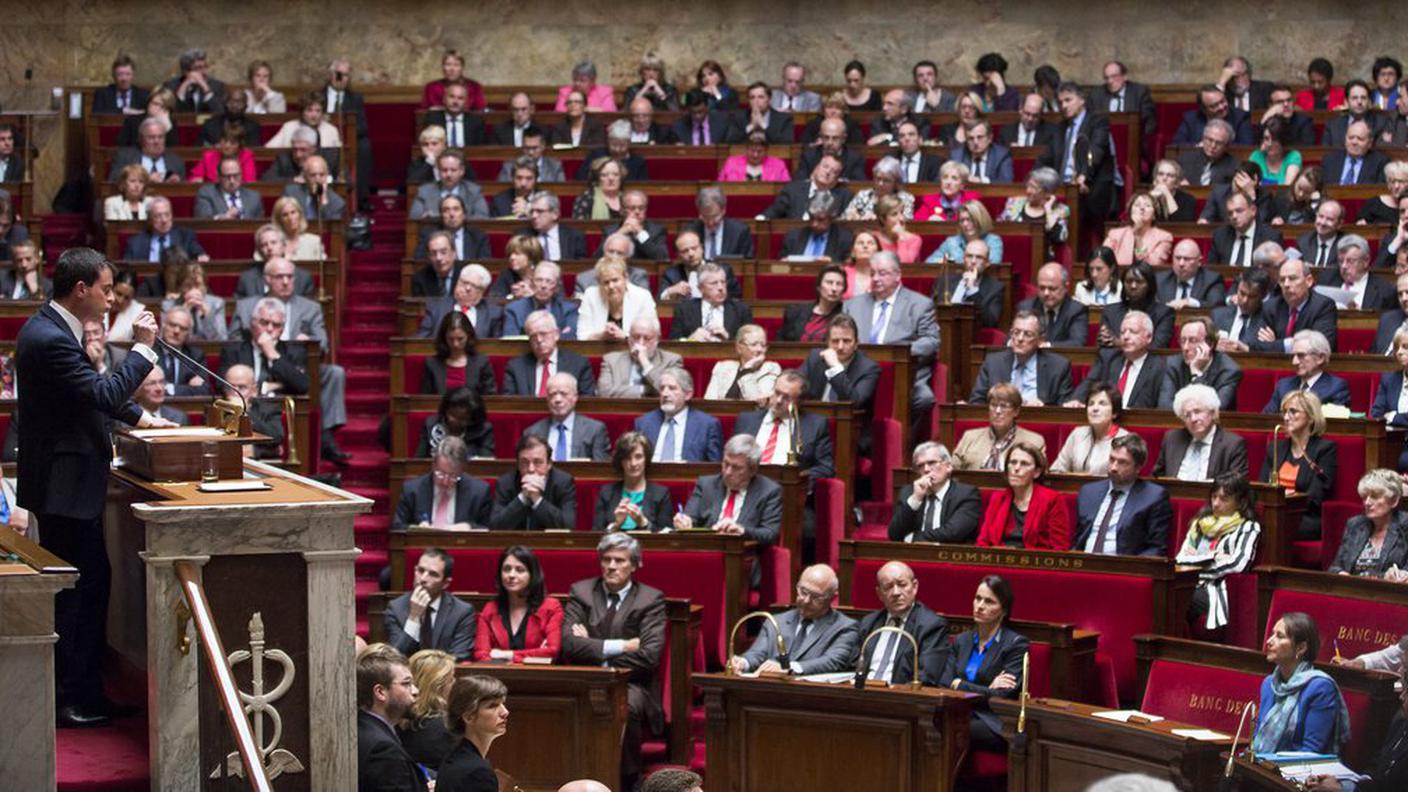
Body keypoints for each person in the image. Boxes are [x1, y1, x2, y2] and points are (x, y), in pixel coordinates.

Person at [17, 248, 166, 727]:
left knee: (89, 586)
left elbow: (88, 395)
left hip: (70, 483)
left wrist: (147, 419)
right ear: (80, 289)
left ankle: (83, 691)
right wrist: (143, 350)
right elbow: (100, 393)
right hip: (65, 486)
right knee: (78, 592)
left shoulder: (54, 327)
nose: (110, 299)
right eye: (105, 289)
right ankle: (71, 699)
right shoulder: (48, 337)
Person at [562, 532, 664, 788]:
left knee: (623, 706)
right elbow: (570, 645)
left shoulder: (650, 599)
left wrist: (591, 643)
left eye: (620, 560)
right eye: (606, 559)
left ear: (635, 564)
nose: (611, 566)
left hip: (632, 684)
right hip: (585, 680)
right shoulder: (582, 592)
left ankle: (626, 780)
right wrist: (623, 645)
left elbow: (649, 655)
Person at [844, 251, 941, 436]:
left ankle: (903, 448)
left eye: (882, 273)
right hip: (859, 375)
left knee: (924, 399)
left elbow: (932, 341)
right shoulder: (852, 305)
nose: (876, 278)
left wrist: (898, 353)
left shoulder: (920, 304)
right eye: (872, 273)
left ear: (898, 275)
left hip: (904, 376)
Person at [943, 575, 1030, 750]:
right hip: (959, 713)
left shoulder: (1015, 644)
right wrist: (988, 690)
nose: (980, 606)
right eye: (978, 598)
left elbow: (1004, 695)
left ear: (1003, 610)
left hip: (992, 721)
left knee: (950, 730)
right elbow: (944, 683)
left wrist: (960, 684)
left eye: (989, 602)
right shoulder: (961, 641)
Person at [1174, 473, 1263, 636]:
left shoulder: (1248, 527)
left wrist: (1194, 562)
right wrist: (1213, 557)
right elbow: (1180, 559)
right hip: (1189, 583)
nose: (1216, 503)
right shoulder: (1200, 524)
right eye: (1214, 497)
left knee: (1175, 596)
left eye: (1224, 499)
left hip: (1215, 591)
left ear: (1240, 502)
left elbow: (1238, 565)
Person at [730, 563, 859, 673]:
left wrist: (789, 668)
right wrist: (743, 662)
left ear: (832, 597)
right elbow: (757, 654)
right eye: (803, 591)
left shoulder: (845, 628)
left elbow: (832, 661)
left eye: (816, 596)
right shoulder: (776, 621)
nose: (806, 600)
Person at [1253, 612, 1351, 755]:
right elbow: (1257, 738)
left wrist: (1268, 766)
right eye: (1272, 634)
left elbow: (1311, 751)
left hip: (1301, 772)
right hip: (1264, 767)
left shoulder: (1320, 688)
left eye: (1279, 636)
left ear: (1301, 648)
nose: (1269, 641)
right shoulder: (1269, 684)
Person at [856, 561, 951, 686]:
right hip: (863, 695)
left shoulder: (931, 626)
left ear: (915, 587)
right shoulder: (868, 623)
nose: (896, 592)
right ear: (879, 594)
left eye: (902, 584)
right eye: (888, 587)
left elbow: (926, 678)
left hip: (902, 699)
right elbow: (854, 668)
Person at [799, 314, 882, 452]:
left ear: (856, 344)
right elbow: (795, 381)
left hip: (847, 434)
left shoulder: (869, 368)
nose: (840, 346)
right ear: (827, 342)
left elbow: (853, 402)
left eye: (847, 341)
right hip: (811, 429)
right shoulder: (815, 357)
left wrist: (835, 367)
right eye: (835, 341)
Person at [1264, 389, 1338, 540]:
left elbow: (1315, 498)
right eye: (1284, 412)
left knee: (1275, 526)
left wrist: (1284, 498)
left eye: (1293, 412)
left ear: (1311, 417)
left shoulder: (1325, 449)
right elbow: (1262, 487)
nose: (1286, 417)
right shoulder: (1275, 447)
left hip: (1305, 517)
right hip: (1275, 513)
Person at [474, 545, 564, 662]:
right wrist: (534, 655)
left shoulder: (551, 607)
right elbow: (480, 654)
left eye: (520, 570)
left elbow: (552, 650)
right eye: (506, 569)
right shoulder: (490, 609)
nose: (511, 575)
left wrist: (507, 655)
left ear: (533, 575)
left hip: (539, 676)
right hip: (498, 676)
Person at [356, 645, 428, 792]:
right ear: (380, 692)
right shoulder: (383, 750)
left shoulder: (361, 726)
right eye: (406, 684)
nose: (415, 691)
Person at [384, 548, 476, 661]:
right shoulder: (395, 608)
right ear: (415, 570)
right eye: (421, 570)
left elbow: (460, 656)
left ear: (445, 583)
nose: (423, 579)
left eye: (433, 574)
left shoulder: (462, 611)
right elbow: (395, 658)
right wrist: (414, 618)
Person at [969, 310, 1075, 406]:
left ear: (1040, 340)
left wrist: (1042, 408)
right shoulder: (993, 363)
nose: (1020, 339)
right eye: (1016, 332)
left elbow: (1064, 408)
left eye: (1027, 334)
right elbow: (976, 402)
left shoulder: (1058, 367)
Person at [977, 441, 1070, 549]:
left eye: (1024, 464)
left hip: (1034, 563)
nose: (1016, 468)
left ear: (1036, 472)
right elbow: (983, 541)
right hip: (999, 560)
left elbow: (1060, 546)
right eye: (1012, 462)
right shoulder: (998, 498)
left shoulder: (1051, 499)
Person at [392, 437, 492, 532]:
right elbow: (397, 527)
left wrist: (469, 527)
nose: (445, 481)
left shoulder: (479, 492)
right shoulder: (412, 490)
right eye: (440, 474)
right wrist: (416, 528)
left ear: (462, 471)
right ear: (433, 465)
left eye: (453, 476)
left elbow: (488, 529)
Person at [889, 442, 982, 543]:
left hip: (950, 554)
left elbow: (953, 532)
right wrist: (916, 499)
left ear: (948, 467)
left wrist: (913, 538)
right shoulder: (909, 492)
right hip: (914, 555)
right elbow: (894, 534)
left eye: (931, 463)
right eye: (920, 466)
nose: (926, 469)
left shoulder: (966, 494)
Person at [1153, 384, 1251, 481]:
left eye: (1197, 411)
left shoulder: (1233, 444)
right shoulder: (1172, 438)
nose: (1193, 419)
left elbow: (1238, 484)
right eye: (1187, 415)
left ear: (1213, 413)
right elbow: (1157, 476)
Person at [1073, 310, 1167, 410]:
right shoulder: (1108, 358)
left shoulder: (1160, 368)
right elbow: (1088, 384)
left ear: (1148, 337)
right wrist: (1076, 400)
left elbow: (1162, 409)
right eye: (1122, 332)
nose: (1126, 337)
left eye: (1133, 332)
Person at [1327, 470, 1408, 579]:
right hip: (1353, 591)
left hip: (1391, 593)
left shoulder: (1405, 526)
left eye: (1375, 496)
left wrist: (1398, 576)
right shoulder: (1355, 525)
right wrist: (1341, 574)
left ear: (1394, 501)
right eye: (1365, 497)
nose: (1367, 503)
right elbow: (1335, 568)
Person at [435, 675, 509, 792]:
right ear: (469, 717)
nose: (505, 712)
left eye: (502, 703)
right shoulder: (477, 772)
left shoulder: (456, 756)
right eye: (492, 706)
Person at [490, 434, 577, 531]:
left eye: (537, 462)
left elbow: (568, 526)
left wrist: (537, 499)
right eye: (524, 462)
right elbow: (495, 526)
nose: (531, 469)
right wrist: (522, 497)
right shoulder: (506, 483)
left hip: (550, 544)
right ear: (518, 465)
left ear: (549, 465)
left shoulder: (563, 482)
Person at [954, 383, 1047, 471]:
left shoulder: (1034, 441)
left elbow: (1040, 477)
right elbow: (952, 471)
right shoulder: (970, 437)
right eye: (993, 405)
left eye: (1004, 406)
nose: (998, 411)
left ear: (1016, 411)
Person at [501, 310, 595, 396]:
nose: (539, 340)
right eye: (533, 336)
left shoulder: (578, 364)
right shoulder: (516, 367)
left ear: (556, 334)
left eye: (543, 333)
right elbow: (510, 406)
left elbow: (587, 403)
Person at [1159, 317, 1242, 411]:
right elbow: (1164, 407)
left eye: (1192, 341)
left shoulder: (1229, 370)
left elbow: (1214, 409)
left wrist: (1196, 374)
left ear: (1209, 344)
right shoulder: (1173, 364)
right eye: (1182, 341)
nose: (1185, 347)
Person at [527, 372, 610, 462]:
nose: (557, 399)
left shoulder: (595, 429)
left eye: (564, 394)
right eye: (552, 394)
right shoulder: (532, 432)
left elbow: (601, 469)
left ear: (575, 397)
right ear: (547, 399)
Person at [397, 649, 459, 770]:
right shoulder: (446, 727)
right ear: (438, 686)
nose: (455, 683)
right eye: (451, 679)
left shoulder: (396, 720)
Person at [1052, 382, 1131, 475]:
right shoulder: (1078, 434)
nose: (1095, 408)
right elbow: (1056, 470)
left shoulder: (1125, 439)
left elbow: (1124, 477)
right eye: (1091, 404)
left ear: (1114, 413)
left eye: (1102, 404)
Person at [1263, 330, 1351, 413]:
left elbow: (1336, 425)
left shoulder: (1336, 387)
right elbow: (1267, 419)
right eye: (1293, 356)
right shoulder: (1284, 385)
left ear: (1320, 358)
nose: (1294, 362)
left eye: (1301, 355)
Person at [597, 315, 685, 399]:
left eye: (647, 338)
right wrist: (644, 390)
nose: (641, 343)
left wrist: (645, 363)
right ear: (629, 338)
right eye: (636, 337)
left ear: (657, 339)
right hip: (619, 410)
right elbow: (603, 392)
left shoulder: (672, 360)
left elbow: (670, 393)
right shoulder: (611, 360)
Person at [1097, 261, 1174, 350]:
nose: (1133, 286)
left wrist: (1119, 343)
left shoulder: (1164, 313)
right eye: (1129, 281)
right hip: (1114, 361)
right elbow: (1104, 344)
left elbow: (1158, 347)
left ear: (1150, 285)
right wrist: (1104, 339)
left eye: (1139, 282)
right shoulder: (1110, 311)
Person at [576, 255, 655, 342]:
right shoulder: (591, 295)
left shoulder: (642, 296)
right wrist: (601, 335)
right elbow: (581, 337)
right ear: (599, 284)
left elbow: (651, 334)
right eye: (606, 282)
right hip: (598, 352)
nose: (611, 286)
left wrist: (625, 336)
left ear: (626, 278)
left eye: (615, 280)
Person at [997, 167, 1071, 259]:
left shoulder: (1061, 210)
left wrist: (1048, 209)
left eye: (1033, 188)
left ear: (1048, 192)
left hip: (1042, 260)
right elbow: (999, 228)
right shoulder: (1014, 203)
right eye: (1028, 185)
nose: (1028, 191)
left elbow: (1059, 238)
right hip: (1012, 255)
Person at [669, 262, 752, 342]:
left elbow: (749, 342)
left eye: (723, 282)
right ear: (700, 288)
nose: (720, 287)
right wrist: (691, 339)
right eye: (714, 283)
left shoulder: (741, 310)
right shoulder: (684, 310)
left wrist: (728, 338)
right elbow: (673, 343)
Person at [704, 324, 780, 401]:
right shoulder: (722, 367)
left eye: (763, 345)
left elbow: (757, 402)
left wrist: (747, 370)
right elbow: (709, 401)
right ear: (739, 348)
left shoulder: (770, 368)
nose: (759, 349)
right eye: (754, 344)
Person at [415, 386, 494, 460]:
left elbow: (485, 464)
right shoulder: (431, 424)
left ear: (472, 419)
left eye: (460, 418)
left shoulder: (483, 430)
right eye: (451, 414)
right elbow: (419, 461)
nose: (451, 420)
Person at [410, 151, 487, 221]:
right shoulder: (424, 191)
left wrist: (455, 220)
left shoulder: (473, 191)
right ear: (438, 171)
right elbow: (414, 218)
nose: (448, 174)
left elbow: (483, 217)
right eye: (444, 170)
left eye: (453, 170)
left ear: (462, 171)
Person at [1103, 192, 1173, 267]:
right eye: (1137, 205)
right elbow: (1103, 260)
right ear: (1130, 212)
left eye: (1147, 205)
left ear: (1154, 215)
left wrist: (1138, 237)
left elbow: (1152, 266)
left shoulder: (1164, 237)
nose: (1142, 208)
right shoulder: (1115, 234)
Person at [779, 265, 845, 343]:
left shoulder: (847, 314)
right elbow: (781, 345)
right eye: (829, 283)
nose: (834, 288)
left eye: (839, 284)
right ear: (819, 287)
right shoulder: (795, 312)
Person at [927, 199, 1003, 265]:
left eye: (970, 219)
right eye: (962, 220)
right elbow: (929, 263)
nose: (965, 224)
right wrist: (941, 261)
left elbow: (993, 265)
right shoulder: (952, 241)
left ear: (980, 219)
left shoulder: (993, 240)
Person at [843, 157, 915, 221]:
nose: (880, 184)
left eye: (886, 180)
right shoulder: (864, 195)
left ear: (896, 182)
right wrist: (854, 216)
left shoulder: (905, 198)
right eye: (878, 179)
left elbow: (906, 222)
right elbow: (846, 215)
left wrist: (877, 219)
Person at [1323, 120, 1389, 186]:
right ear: (1345, 139)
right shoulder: (1330, 160)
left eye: (1360, 139)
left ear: (1370, 143)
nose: (1354, 142)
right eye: (1350, 138)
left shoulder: (1380, 163)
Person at [915, 161, 980, 222]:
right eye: (945, 177)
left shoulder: (971, 200)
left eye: (954, 178)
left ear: (962, 185)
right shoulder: (930, 201)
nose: (948, 182)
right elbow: (917, 223)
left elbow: (978, 222)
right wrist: (929, 221)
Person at [268, 196, 327, 261]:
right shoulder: (270, 242)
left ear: (300, 214)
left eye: (293, 212)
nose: (290, 218)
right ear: (279, 220)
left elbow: (323, 268)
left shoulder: (315, 242)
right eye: (285, 215)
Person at [842, 231, 880, 298]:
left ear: (878, 251)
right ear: (853, 251)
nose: (865, 246)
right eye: (860, 243)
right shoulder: (842, 273)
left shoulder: (887, 275)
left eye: (870, 243)